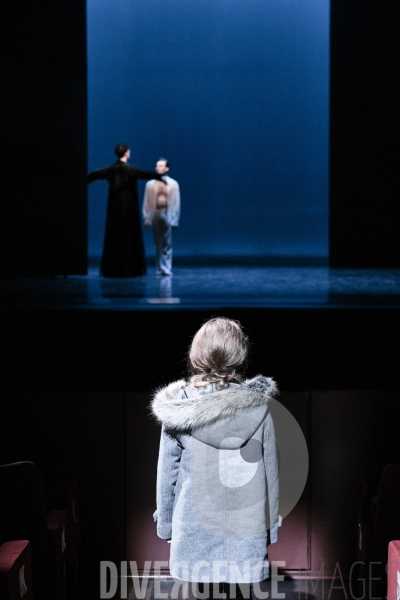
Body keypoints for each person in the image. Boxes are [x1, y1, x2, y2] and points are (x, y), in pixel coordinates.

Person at [150, 317, 280, 599]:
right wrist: (269, 529)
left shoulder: (179, 409)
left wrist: (167, 526)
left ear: (197, 356)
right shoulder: (259, 408)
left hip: (193, 527)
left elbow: (167, 475)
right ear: (239, 355)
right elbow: (271, 473)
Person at [88, 144, 162, 278]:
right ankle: (130, 268)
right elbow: (145, 174)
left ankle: (113, 268)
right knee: (128, 235)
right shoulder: (130, 169)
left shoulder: (111, 169)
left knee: (114, 235)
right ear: (126, 153)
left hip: (114, 209)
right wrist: (160, 176)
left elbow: (94, 174)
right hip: (128, 208)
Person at [142, 158, 180, 276]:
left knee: (167, 242)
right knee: (157, 242)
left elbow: (175, 202)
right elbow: (147, 202)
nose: (158, 167)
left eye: (161, 165)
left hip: (167, 213)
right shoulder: (150, 184)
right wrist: (147, 218)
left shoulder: (173, 184)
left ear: (167, 168)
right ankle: (160, 268)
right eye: (157, 165)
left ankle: (167, 267)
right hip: (156, 213)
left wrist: (174, 219)